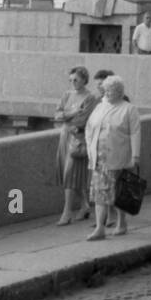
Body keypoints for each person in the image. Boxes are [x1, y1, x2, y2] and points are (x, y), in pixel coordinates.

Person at [85, 74, 141, 240]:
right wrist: (90, 148)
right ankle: (100, 228)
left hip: (119, 156)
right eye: (106, 90)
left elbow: (135, 133)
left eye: (111, 90)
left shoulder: (128, 109)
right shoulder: (99, 107)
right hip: (98, 158)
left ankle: (121, 222)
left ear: (119, 92)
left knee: (119, 193)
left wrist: (135, 156)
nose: (107, 93)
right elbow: (89, 128)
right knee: (99, 193)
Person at [53, 66, 98, 226]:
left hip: (78, 139)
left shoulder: (90, 97)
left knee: (69, 175)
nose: (73, 83)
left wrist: (67, 117)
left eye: (76, 80)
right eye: (71, 80)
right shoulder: (67, 95)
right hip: (65, 137)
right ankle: (85, 205)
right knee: (70, 175)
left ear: (84, 80)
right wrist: (72, 114)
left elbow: (82, 120)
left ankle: (67, 213)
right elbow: (57, 115)